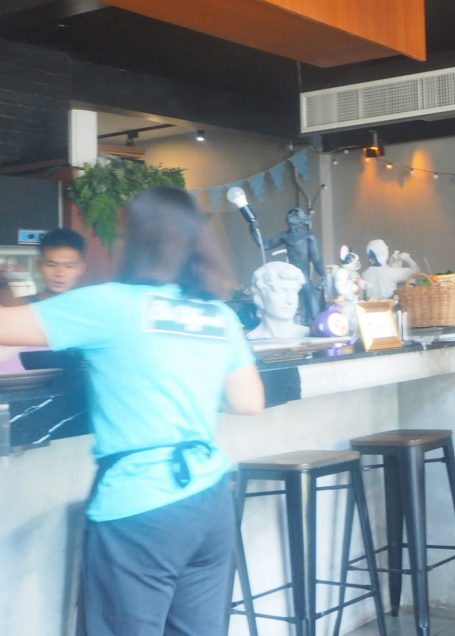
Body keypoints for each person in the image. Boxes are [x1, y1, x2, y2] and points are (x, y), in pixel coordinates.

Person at [0, 187, 265, 636]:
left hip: (140, 506)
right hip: (210, 499)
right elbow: (248, 402)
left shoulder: (110, 304)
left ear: (138, 241)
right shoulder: (217, 314)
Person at [0, 227, 89, 371]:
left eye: (69, 266)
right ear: (39, 265)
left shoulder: (90, 310)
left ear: (81, 268)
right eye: (51, 265)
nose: (59, 273)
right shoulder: (23, 308)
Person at [246, 260, 311, 342]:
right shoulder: (252, 338)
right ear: (260, 296)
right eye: (281, 291)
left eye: (294, 291)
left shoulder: (307, 333)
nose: (290, 301)